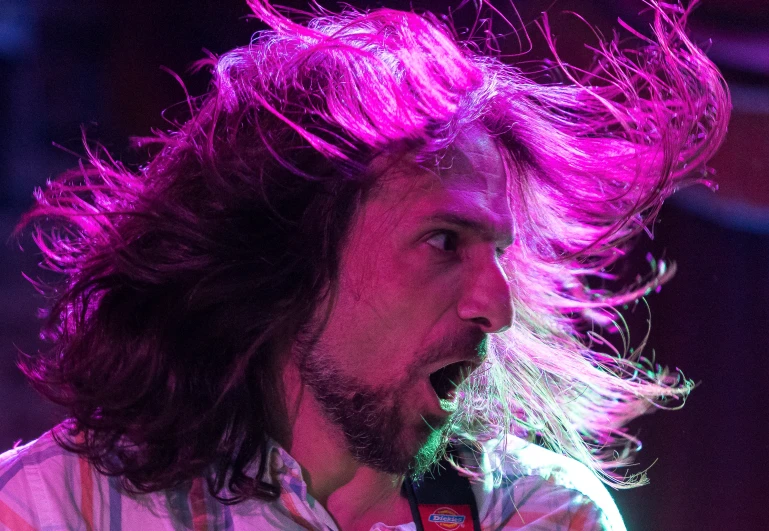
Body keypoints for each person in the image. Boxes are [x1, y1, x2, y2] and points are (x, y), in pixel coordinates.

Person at [0, 0, 728, 529]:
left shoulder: (538, 513)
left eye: (497, 252)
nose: (495, 306)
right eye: (444, 241)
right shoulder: (53, 505)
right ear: (287, 253)